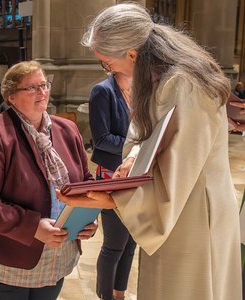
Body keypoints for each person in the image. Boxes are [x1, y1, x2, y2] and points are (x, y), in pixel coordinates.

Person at [56, 3, 242, 300]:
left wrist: (115, 197)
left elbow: (180, 166)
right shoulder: (164, 77)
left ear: (132, 54)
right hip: (186, 205)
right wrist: (131, 158)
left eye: (107, 63)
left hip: (193, 211)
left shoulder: (183, 83)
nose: (108, 70)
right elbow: (149, 130)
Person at [0, 60, 98, 300]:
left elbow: (84, 182)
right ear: (11, 97)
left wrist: (86, 220)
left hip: (55, 256)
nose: (42, 92)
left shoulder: (67, 129)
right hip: (4, 258)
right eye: (32, 88)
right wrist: (32, 226)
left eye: (44, 85)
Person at [89, 71, 136, 300]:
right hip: (111, 177)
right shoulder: (103, 91)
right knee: (114, 246)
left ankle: (120, 296)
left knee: (130, 246)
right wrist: (137, 148)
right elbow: (100, 139)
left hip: (137, 178)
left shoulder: (138, 89)